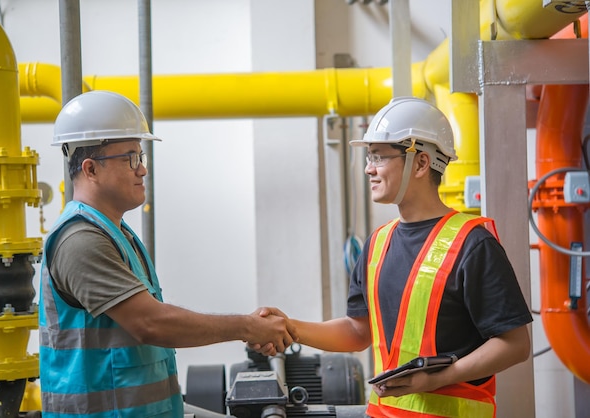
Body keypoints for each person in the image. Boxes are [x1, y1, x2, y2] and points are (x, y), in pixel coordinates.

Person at [254, 97, 532, 417]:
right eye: (369, 156)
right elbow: (358, 332)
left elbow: (515, 345)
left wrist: (441, 377)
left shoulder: (472, 245)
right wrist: (289, 327)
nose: (369, 168)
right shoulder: (378, 244)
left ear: (422, 163)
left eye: (379, 157)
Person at [38, 90, 296, 418]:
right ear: (91, 169)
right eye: (130, 158)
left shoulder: (118, 235)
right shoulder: (81, 240)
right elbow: (150, 323)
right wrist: (246, 327)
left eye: (141, 157)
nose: (142, 170)